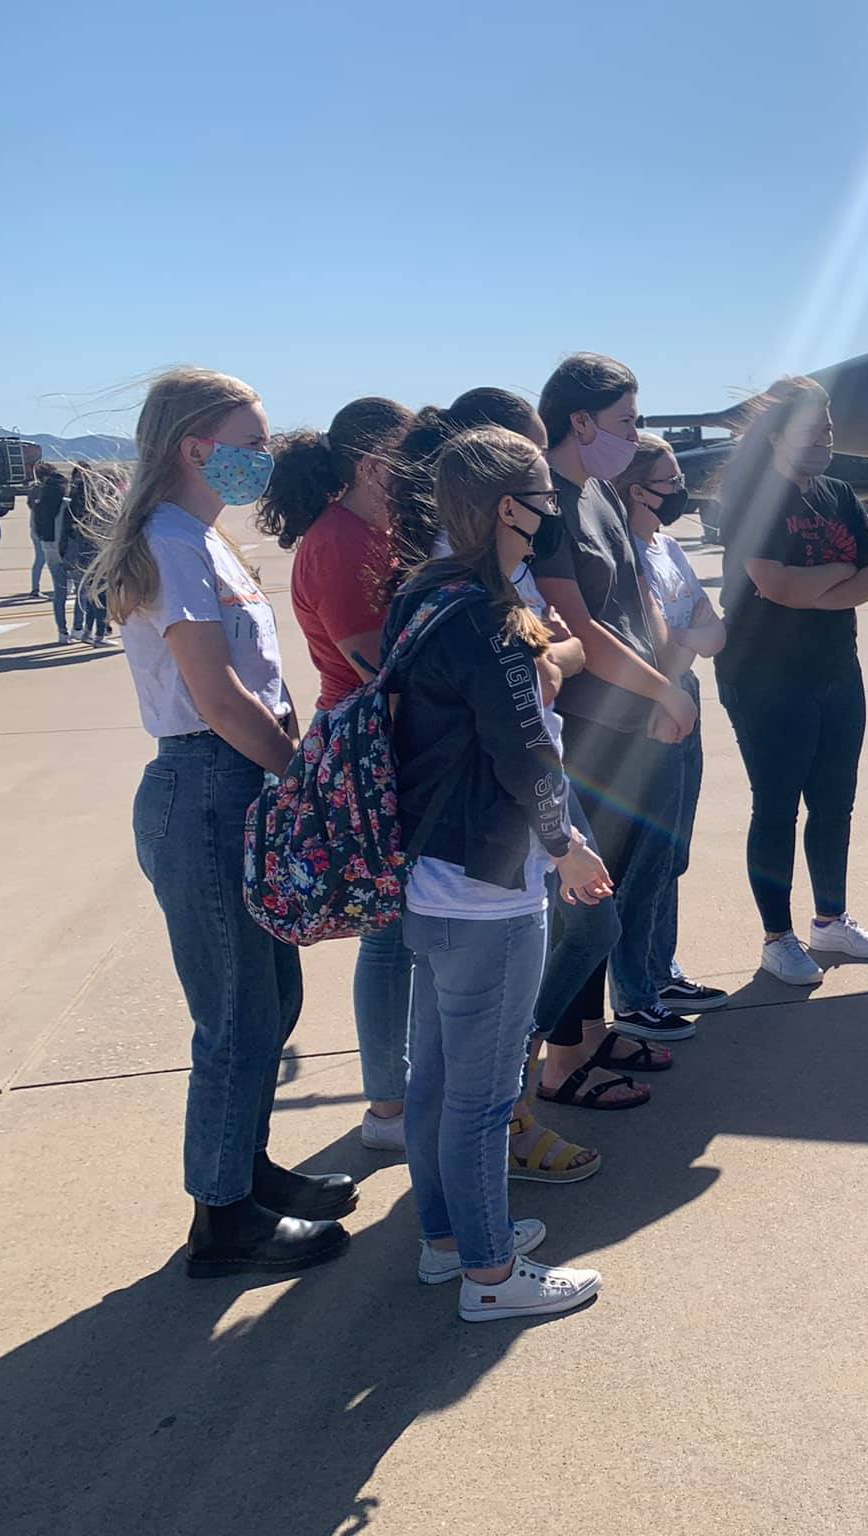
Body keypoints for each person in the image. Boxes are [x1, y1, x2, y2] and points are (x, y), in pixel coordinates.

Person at [92, 366, 353, 1278]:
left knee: (272, 1000)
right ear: (196, 448)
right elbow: (219, 697)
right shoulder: (171, 543)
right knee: (237, 1016)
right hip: (209, 787)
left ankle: (245, 1170)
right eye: (253, 442)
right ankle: (223, 1221)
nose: (264, 459)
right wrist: (305, 783)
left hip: (240, 784)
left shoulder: (205, 540)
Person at [382, 425, 609, 1322]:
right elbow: (524, 753)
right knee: (480, 1100)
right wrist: (567, 846)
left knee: (436, 1084)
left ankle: (448, 1240)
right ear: (508, 507)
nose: (551, 507)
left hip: (428, 879)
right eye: (541, 493)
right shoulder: (487, 614)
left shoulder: (423, 595)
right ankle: (488, 1275)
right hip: (489, 891)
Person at [259, 397, 418, 1153]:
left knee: (405, 932)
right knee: (388, 935)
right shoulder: (339, 542)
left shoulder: (378, 532)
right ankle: (388, 1106)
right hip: (368, 749)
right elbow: (379, 663)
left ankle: (399, 1091)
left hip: (391, 743)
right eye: (408, 456)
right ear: (369, 463)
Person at [529, 354, 700, 1053]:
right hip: (591, 728)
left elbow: (637, 602)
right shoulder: (551, 503)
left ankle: (591, 1039)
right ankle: (554, 1056)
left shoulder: (599, 492)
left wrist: (668, 684)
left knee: (617, 889)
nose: (635, 434)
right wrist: (660, 688)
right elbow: (579, 626)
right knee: (584, 906)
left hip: (638, 718)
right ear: (580, 420)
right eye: (626, 420)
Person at [713, 376, 868, 985]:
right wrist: (838, 573)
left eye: (830, 427)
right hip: (764, 678)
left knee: (835, 804)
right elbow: (776, 586)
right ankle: (777, 937)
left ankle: (830, 920)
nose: (825, 438)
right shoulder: (753, 498)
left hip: (838, 671)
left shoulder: (839, 492)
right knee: (777, 809)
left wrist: (813, 583)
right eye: (813, 429)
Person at [613, 432, 728, 1014]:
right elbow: (664, 648)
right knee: (646, 858)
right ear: (637, 490)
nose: (681, 489)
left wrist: (684, 642)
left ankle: (661, 967)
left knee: (673, 851)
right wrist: (687, 643)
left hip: (685, 698)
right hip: (656, 707)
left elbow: (716, 629)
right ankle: (636, 991)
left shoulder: (667, 546)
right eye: (670, 480)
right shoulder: (625, 553)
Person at [62, 463, 113, 645]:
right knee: (100, 593)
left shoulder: (73, 499)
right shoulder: (94, 506)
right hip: (95, 550)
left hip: (83, 550)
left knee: (91, 593)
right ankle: (98, 634)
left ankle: (87, 631)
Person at [28, 463, 70, 611]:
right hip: (47, 533)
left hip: (41, 531)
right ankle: (36, 588)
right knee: (42, 559)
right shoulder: (46, 490)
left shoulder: (40, 490)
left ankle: (36, 588)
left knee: (41, 559)